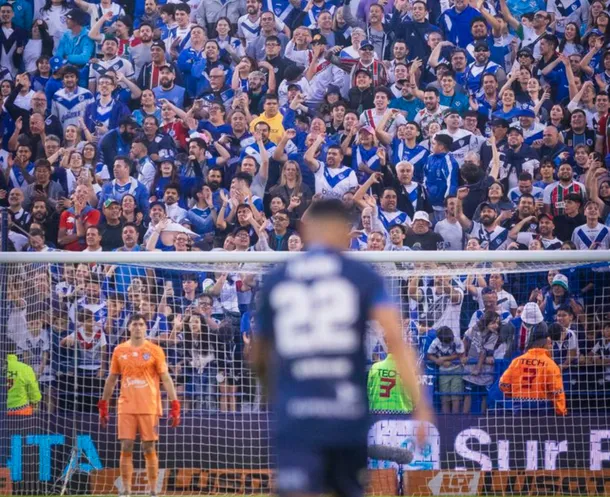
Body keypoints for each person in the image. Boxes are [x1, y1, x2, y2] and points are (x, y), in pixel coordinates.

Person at [253, 199, 433, 497]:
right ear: (343, 231)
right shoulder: (361, 276)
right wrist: (422, 406)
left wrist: (278, 392)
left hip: (297, 412)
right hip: (346, 413)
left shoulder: (278, 278)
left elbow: (258, 354)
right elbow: (396, 342)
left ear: (306, 230)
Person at [98, 313, 181, 497]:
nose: (138, 327)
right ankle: (126, 490)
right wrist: (103, 405)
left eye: (141, 324)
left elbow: (166, 378)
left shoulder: (155, 350)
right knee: (126, 446)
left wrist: (175, 404)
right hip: (126, 405)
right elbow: (111, 379)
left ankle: (153, 490)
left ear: (145, 327)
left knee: (149, 447)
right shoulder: (119, 350)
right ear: (129, 327)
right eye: (134, 324)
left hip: (149, 406)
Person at [499, 327, 567, 416]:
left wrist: (513, 394)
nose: (551, 346)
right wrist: (561, 412)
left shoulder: (517, 361)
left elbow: (503, 384)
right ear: (545, 344)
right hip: (541, 405)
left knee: (520, 429)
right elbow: (557, 391)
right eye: (550, 344)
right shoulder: (550, 364)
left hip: (519, 404)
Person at [6, 344, 42, 416]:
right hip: (21, 412)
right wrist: (35, 403)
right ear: (14, 351)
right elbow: (34, 393)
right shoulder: (25, 368)